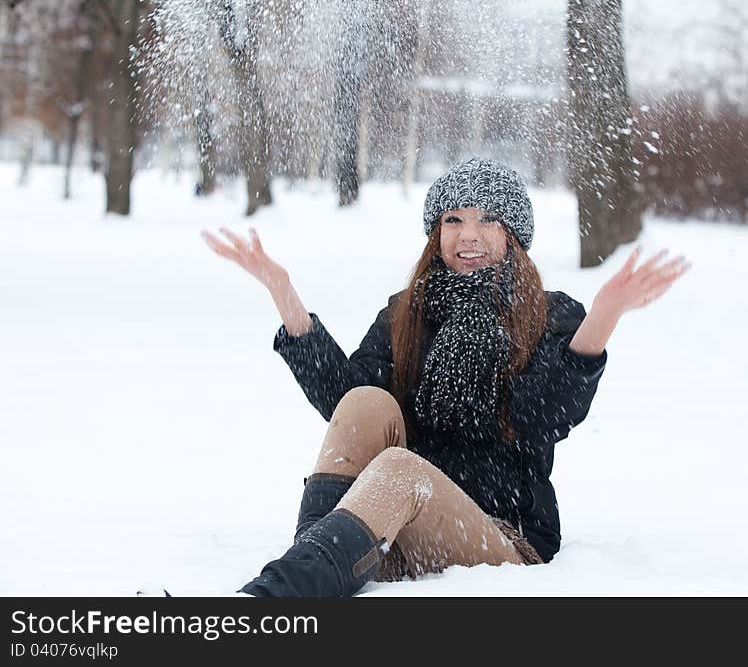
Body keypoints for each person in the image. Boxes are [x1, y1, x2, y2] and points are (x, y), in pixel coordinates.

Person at [201, 158, 689, 597]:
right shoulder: (406, 312)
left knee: (400, 470)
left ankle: (269, 603)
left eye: (486, 219)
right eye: (452, 219)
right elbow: (344, 403)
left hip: (502, 536)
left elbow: (548, 411)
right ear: (435, 233)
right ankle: (314, 567)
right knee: (367, 403)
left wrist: (602, 319)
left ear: (512, 235)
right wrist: (284, 295)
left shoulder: (548, 313)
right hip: (400, 515)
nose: (468, 235)